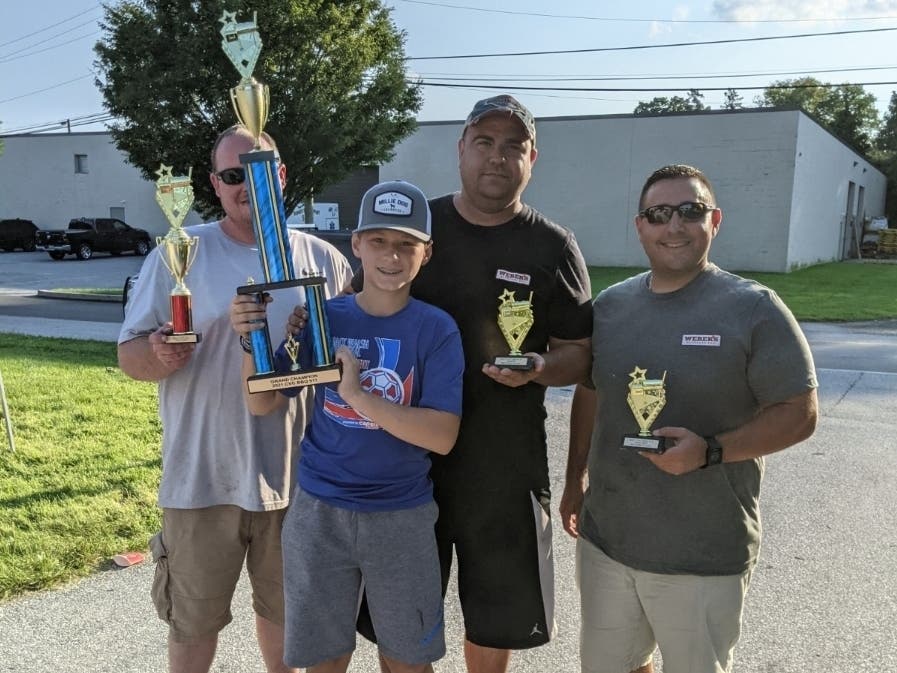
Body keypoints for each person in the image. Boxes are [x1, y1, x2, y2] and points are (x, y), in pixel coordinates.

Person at [357, 95, 593, 673]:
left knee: (497, 616)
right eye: (484, 142)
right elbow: (357, 310)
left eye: (513, 145)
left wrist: (539, 368)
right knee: (401, 616)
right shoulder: (416, 231)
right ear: (461, 149)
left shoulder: (553, 246)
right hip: (405, 462)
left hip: (505, 464)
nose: (497, 157)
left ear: (531, 158)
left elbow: (580, 357)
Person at [561, 164, 819, 673]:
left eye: (690, 211)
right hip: (608, 544)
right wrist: (574, 478)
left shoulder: (753, 308)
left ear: (714, 220)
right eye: (659, 214)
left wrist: (711, 451)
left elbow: (800, 414)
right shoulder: (610, 308)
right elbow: (591, 393)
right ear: (640, 226)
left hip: (702, 554)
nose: (673, 226)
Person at [118, 124, 353, 673]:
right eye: (232, 175)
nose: (245, 184)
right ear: (215, 185)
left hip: (300, 478)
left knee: (289, 622)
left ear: (282, 175)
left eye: (259, 171)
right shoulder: (179, 254)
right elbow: (130, 357)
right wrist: (160, 354)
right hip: (203, 478)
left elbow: (345, 358)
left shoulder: (323, 260)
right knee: (193, 627)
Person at [231, 180, 464, 673]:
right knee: (323, 657)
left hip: (401, 514)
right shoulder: (323, 319)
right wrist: (250, 338)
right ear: (356, 244)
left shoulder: (436, 328)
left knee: (407, 658)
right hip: (320, 511)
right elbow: (263, 402)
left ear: (427, 253)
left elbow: (441, 435)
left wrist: (357, 394)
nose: (392, 257)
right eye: (378, 241)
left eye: (406, 244)